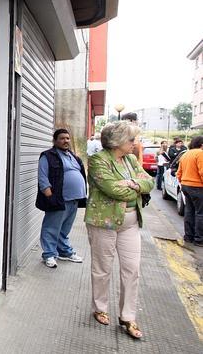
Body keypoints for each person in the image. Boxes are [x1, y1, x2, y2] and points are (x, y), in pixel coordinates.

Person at [85, 121, 154, 339]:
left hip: (131, 222)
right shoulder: (98, 160)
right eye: (131, 140)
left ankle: (128, 316)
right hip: (103, 222)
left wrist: (133, 183)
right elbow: (112, 189)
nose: (135, 144)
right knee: (102, 268)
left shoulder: (131, 160)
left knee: (132, 270)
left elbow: (149, 182)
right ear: (117, 142)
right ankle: (100, 307)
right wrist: (135, 188)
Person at [35, 128, 86, 268]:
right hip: (58, 198)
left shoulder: (73, 156)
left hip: (74, 199)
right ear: (55, 140)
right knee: (51, 227)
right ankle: (49, 254)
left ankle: (64, 252)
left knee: (64, 228)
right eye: (62, 138)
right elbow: (43, 178)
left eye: (68, 138)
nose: (66, 141)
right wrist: (50, 196)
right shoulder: (48, 156)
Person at [176, 135, 203, 246]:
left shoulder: (186, 154)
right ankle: (199, 239)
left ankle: (188, 236)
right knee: (200, 213)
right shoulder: (200, 154)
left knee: (189, 211)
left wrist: (184, 182)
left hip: (186, 185)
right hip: (197, 186)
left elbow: (179, 173)